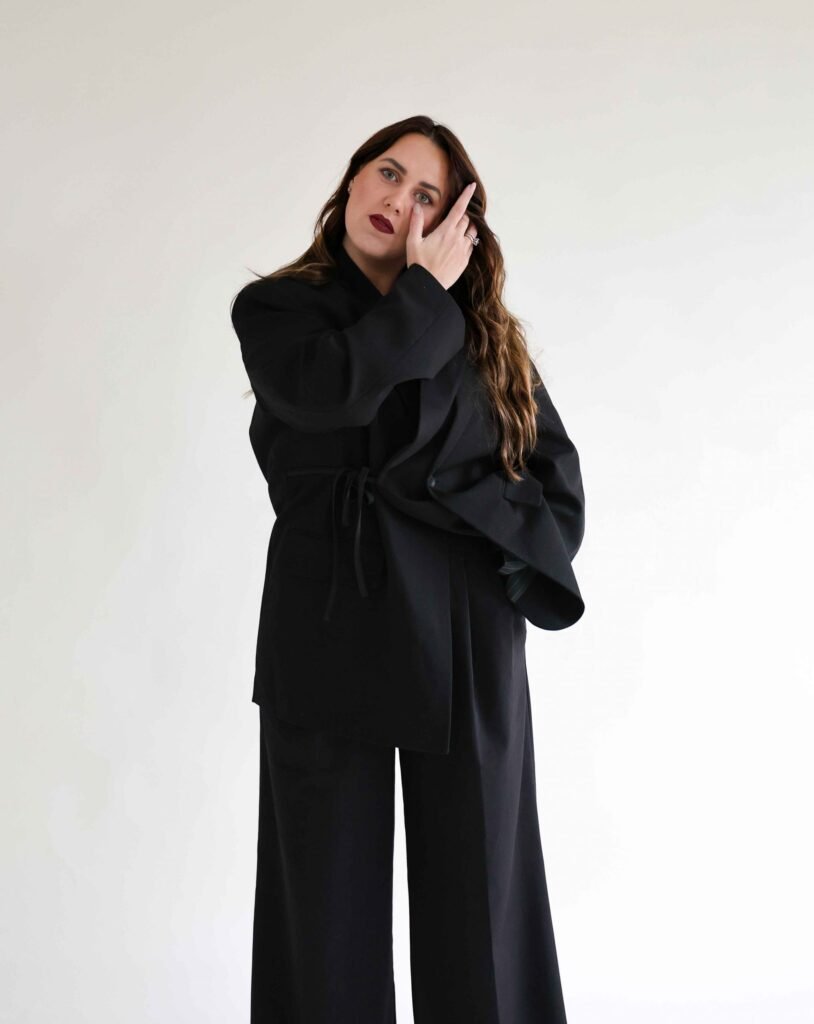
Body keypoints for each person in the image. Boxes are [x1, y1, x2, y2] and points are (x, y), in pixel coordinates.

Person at [230, 114, 586, 1024]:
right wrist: (423, 295)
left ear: (454, 221)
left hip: (462, 627)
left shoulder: (484, 337)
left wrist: (493, 562)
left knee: (484, 904)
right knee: (324, 910)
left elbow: (555, 483)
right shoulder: (279, 312)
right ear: (352, 181)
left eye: (426, 194)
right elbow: (331, 391)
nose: (399, 201)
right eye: (388, 174)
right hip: (328, 613)